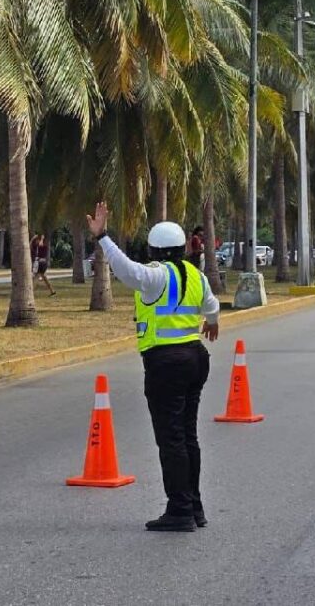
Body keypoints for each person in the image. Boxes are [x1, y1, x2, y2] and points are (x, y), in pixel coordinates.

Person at [86, 202, 220, 532]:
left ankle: (179, 511)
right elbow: (212, 305)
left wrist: (102, 235)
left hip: (166, 363)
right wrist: (212, 323)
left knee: (171, 438)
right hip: (195, 358)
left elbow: (125, 267)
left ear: (154, 249)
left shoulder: (156, 276)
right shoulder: (195, 275)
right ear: (182, 247)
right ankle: (195, 506)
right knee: (188, 435)